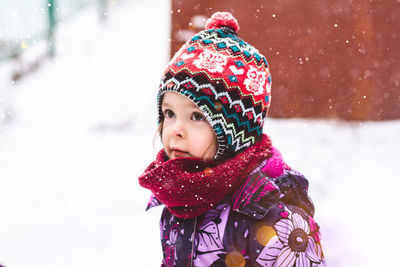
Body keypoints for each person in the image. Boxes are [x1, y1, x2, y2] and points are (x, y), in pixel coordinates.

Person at [138, 11, 325, 267]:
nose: (176, 129)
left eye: (196, 116)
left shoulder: (271, 215)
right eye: (169, 113)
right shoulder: (181, 196)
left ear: (236, 132)